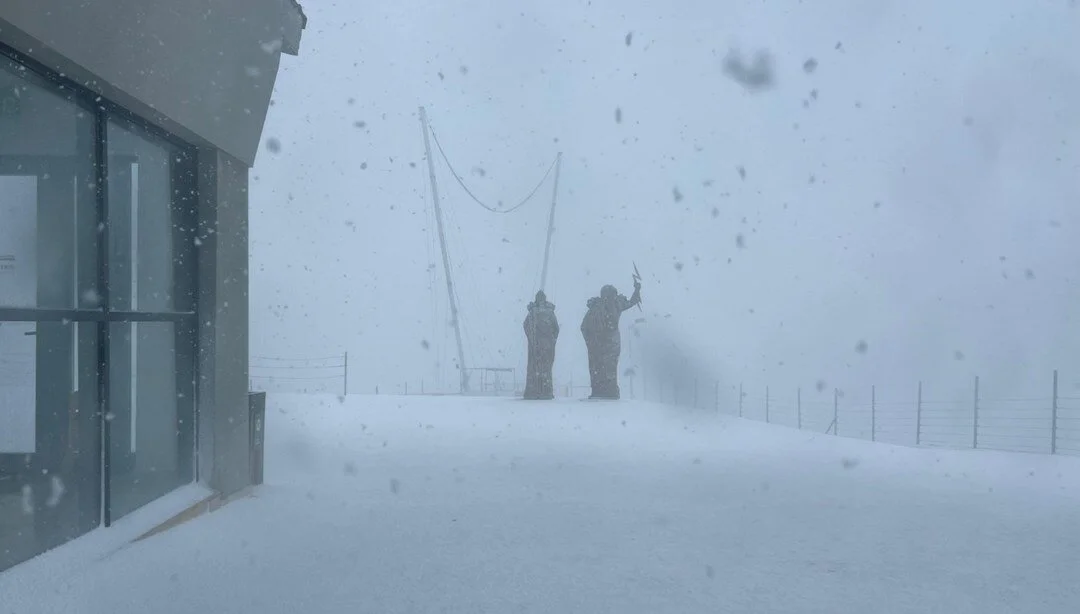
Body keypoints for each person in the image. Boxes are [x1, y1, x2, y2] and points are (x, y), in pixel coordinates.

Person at [580, 279, 641, 399]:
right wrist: (591, 340)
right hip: (603, 343)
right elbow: (584, 327)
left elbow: (584, 327)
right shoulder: (601, 307)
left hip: (607, 343)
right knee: (601, 367)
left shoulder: (609, 305)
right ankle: (602, 391)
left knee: (606, 367)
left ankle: (606, 391)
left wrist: (637, 289)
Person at [523, 290, 559, 400]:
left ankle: (534, 391)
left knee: (534, 368)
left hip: (535, 344)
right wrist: (551, 340)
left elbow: (525, 326)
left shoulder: (532, 312)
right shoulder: (550, 312)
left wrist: (532, 338)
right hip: (547, 345)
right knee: (546, 369)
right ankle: (546, 391)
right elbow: (556, 329)